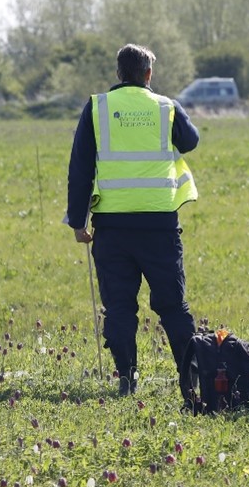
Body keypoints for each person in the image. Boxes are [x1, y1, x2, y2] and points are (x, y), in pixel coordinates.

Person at [66, 43, 199, 397]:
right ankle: (191, 377)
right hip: (159, 224)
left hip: (112, 226)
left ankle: (127, 378)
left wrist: (77, 221)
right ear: (149, 74)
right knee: (173, 304)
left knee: (120, 306)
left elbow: (79, 169)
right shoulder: (166, 107)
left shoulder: (97, 107)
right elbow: (191, 141)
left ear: (118, 73)